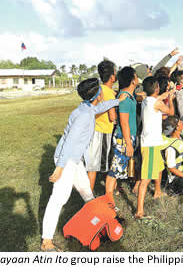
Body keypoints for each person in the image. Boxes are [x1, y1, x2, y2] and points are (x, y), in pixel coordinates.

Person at [41, 78, 127, 251]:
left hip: (75, 160)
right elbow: (69, 142)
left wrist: (118, 101)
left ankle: (104, 222)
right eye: (100, 90)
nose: (103, 92)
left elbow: (100, 107)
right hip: (67, 161)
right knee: (58, 199)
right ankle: (46, 241)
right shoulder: (84, 116)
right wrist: (60, 168)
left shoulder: (87, 107)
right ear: (97, 94)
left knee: (87, 192)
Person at [135, 76, 175, 219]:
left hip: (151, 142)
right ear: (157, 89)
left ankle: (157, 192)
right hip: (151, 145)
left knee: (159, 168)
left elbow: (157, 98)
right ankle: (139, 210)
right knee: (146, 179)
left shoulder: (146, 100)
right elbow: (170, 112)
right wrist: (170, 99)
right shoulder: (157, 103)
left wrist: (167, 94)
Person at [105, 67, 139, 208]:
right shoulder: (125, 99)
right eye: (136, 76)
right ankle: (108, 201)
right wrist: (129, 144)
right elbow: (124, 122)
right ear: (132, 80)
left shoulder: (128, 96)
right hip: (124, 138)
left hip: (128, 137)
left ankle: (110, 197)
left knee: (119, 167)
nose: (138, 78)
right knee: (114, 169)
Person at [86, 60, 117, 191]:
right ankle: (88, 197)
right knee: (94, 168)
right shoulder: (109, 92)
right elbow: (112, 116)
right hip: (103, 132)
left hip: (94, 129)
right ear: (112, 76)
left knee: (96, 165)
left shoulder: (98, 89)